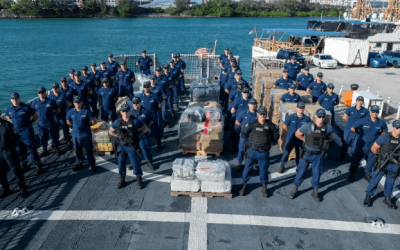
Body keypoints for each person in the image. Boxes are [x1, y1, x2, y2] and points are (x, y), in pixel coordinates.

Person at [289, 109, 334, 202]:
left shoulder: (328, 128)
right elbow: (297, 134)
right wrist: (304, 140)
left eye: (322, 117)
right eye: (319, 116)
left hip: (318, 155)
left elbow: (330, 137)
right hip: (306, 153)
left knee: (317, 174)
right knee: (301, 172)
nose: (321, 119)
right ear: (315, 117)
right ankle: (295, 188)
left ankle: (315, 190)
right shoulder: (307, 126)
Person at [238, 106, 278, 197]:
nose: (262, 116)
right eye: (260, 114)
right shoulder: (251, 124)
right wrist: (249, 143)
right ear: (257, 114)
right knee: (247, 169)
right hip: (252, 151)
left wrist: (268, 141)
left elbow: (275, 137)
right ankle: (243, 184)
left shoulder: (271, 125)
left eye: (264, 114)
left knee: (263, 170)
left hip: (263, 153)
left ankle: (264, 186)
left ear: (266, 115)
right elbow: (243, 133)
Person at [363, 120, 400, 209]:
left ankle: (387, 199)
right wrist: (380, 157)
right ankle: (368, 196)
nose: (399, 130)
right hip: (383, 163)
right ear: (393, 128)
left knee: (390, 183)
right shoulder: (385, 137)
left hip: (394, 165)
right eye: (397, 128)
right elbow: (373, 148)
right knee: (374, 180)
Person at [109, 104, 147, 189]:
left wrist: (137, 135)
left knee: (135, 163)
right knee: (121, 163)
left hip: (131, 146)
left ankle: (139, 178)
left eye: (126, 111)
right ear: (120, 112)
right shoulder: (117, 122)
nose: (125, 113)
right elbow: (111, 131)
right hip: (122, 146)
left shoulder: (135, 121)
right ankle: (122, 179)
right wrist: (119, 136)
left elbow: (145, 129)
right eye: (123, 111)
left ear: (129, 111)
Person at [348, 105, 387, 182]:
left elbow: (384, 131)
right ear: (370, 112)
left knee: (370, 161)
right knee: (355, 161)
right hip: (361, 146)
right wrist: (359, 133)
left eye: (376, 112)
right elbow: (353, 128)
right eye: (373, 111)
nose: (375, 113)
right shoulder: (363, 120)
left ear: (378, 113)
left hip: (372, 146)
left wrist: (379, 136)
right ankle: (351, 174)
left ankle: (367, 174)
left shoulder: (381, 123)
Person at [6, 92, 42, 174]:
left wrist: (30, 123)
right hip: (16, 134)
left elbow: (35, 115)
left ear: (19, 99)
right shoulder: (9, 109)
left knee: (32, 149)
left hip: (27, 132)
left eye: (16, 99)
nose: (15, 100)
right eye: (13, 99)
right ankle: (24, 164)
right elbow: (8, 117)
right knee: (20, 150)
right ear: (11, 100)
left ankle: (37, 165)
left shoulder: (26, 107)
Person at [0, 111, 27, 198]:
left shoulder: (8, 125)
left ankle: (22, 186)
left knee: (15, 169)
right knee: (1, 172)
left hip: (9, 150)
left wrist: (10, 145)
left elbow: (16, 137)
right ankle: (6, 189)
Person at [66, 96, 98, 172]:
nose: (77, 104)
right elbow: (68, 121)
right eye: (76, 102)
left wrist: (87, 126)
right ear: (73, 103)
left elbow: (94, 121)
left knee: (89, 150)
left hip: (86, 134)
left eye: (79, 102)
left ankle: (92, 164)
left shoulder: (87, 111)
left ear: (81, 103)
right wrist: (73, 127)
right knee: (77, 150)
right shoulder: (70, 112)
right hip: (76, 135)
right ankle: (79, 163)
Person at [278, 102, 311, 173]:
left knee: (299, 154)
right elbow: (285, 126)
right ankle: (282, 165)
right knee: (286, 153)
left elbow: (309, 130)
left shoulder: (307, 119)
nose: (300, 110)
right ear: (296, 109)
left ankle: (298, 166)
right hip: (291, 138)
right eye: (299, 108)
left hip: (300, 140)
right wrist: (289, 133)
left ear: (304, 109)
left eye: (302, 108)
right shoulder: (290, 117)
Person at [336, 96, 368, 162]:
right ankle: (342, 156)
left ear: (363, 102)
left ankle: (353, 159)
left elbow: (367, 120)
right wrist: (350, 123)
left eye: (361, 101)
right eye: (358, 101)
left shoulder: (365, 111)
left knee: (355, 146)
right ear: (356, 101)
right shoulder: (350, 109)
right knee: (345, 144)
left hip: (357, 132)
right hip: (348, 131)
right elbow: (345, 117)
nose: (359, 102)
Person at [139, 81, 163, 151]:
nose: (146, 88)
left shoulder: (155, 96)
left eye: (147, 86)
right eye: (145, 86)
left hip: (153, 116)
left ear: (150, 87)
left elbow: (159, 106)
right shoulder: (140, 96)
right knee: (143, 131)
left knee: (156, 131)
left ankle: (159, 144)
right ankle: (142, 146)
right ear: (143, 88)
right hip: (144, 117)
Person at [132, 97, 154, 169]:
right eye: (134, 103)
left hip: (143, 134)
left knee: (145, 148)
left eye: (137, 103)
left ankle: (149, 161)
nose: (136, 104)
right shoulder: (130, 112)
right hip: (133, 134)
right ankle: (134, 163)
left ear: (140, 103)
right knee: (133, 150)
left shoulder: (146, 111)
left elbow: (151, 121)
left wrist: (145, 127)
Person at [235, 99, 258, 170]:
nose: (253, 106)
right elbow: (237, 122)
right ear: (248, 105)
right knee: (241, 149)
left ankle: (254, 164)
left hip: (254, 136)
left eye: (254, 104)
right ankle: (239, 163)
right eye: (251, 104)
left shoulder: (258, 114)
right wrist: (244, 128)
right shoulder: (243, 113)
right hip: (244, 135)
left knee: (254, 150)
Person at [48, 83, 72, 147]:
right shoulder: (49, 97)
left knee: (65, 128)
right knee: (55, 130)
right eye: (53, 88)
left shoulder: (62, 95)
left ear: (58, 88)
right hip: (54, 117)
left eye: (56, 88)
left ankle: (68, 139)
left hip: (62, 115)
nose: (54, 89)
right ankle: (56, 142)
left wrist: (64, 106)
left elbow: (69, 103)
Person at [230, 87, 251, 153]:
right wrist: (238, 116)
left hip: (247, 122)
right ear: (242, 93)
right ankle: (235, 148)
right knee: (236, 135)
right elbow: (232, 110)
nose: (246, 94)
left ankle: (245, 150)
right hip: (239, 121)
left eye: (247, 93)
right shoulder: (238, 100)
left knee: (247, 136)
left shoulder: (250, 101)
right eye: (244, 92)